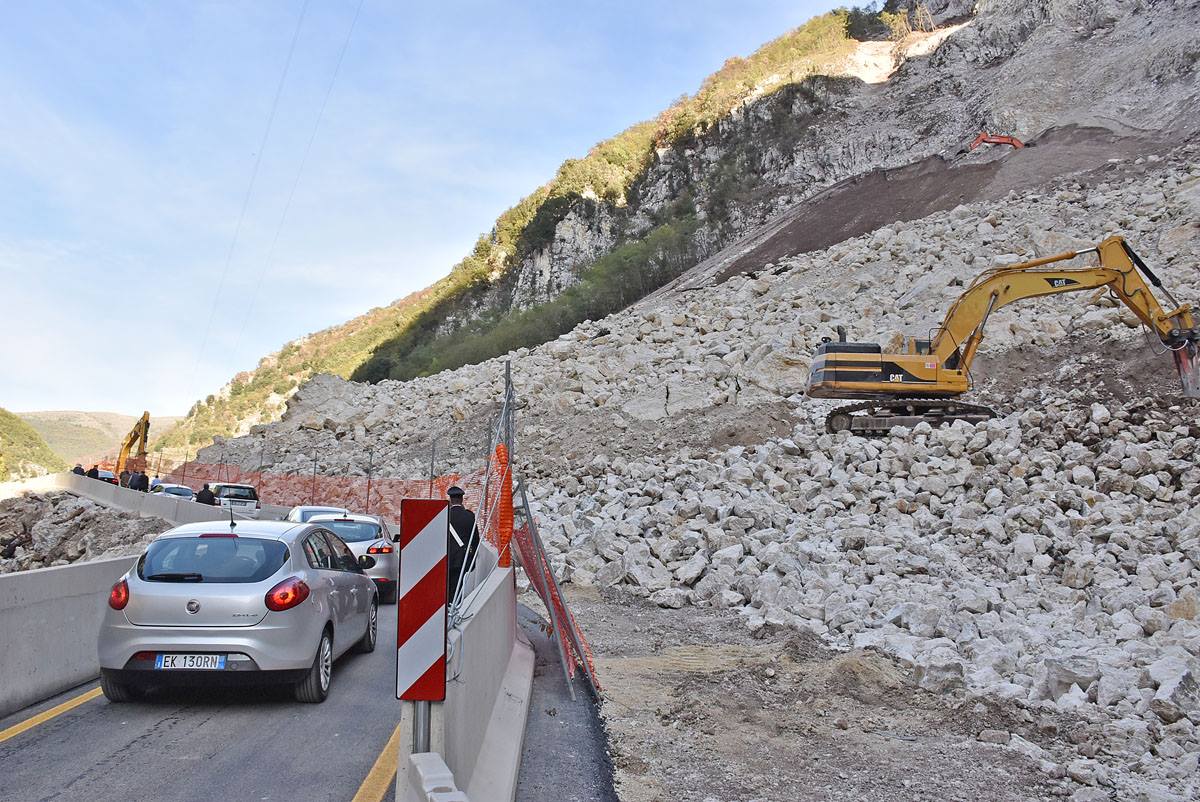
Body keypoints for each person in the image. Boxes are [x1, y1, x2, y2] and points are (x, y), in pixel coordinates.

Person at [446, 486, 480, 603]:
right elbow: (475, 538)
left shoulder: (444, 515)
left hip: (447, 557)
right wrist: (473, 558)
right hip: (463, 557)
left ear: (450, 500)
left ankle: (447, 605)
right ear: (462, 500)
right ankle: (455, 605)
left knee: (447, 584)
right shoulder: (469, 516)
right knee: (458, 585)